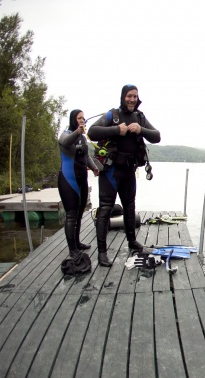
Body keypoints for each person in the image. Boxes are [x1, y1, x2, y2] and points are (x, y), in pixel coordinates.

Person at [88, 84, 161, 266]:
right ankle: (102, 253)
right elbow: (92, 132)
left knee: (129, 207)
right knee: (105, 209)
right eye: (129, 96)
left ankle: (132, 241)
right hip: (111, 171)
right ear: (123, 97)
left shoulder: (139, 117)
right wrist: (116, 130)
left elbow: (157, 136)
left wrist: (140, 130)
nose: (132, 99)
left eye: (135, 96)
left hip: (129, 171)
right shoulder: (112, 115)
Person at [58, 109, 99, 257]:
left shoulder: (83, 137)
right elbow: (64, 142)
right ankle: (72, 249)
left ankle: (77, 242)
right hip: (68, 179)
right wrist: (77, 131)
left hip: (82, 179)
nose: (82, 120)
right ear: (73, 120)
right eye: (79, 118)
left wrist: (94, 168)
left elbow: (87, 155)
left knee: (80, 213)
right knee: (71, 214)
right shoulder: (67, 134)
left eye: (83, 118)